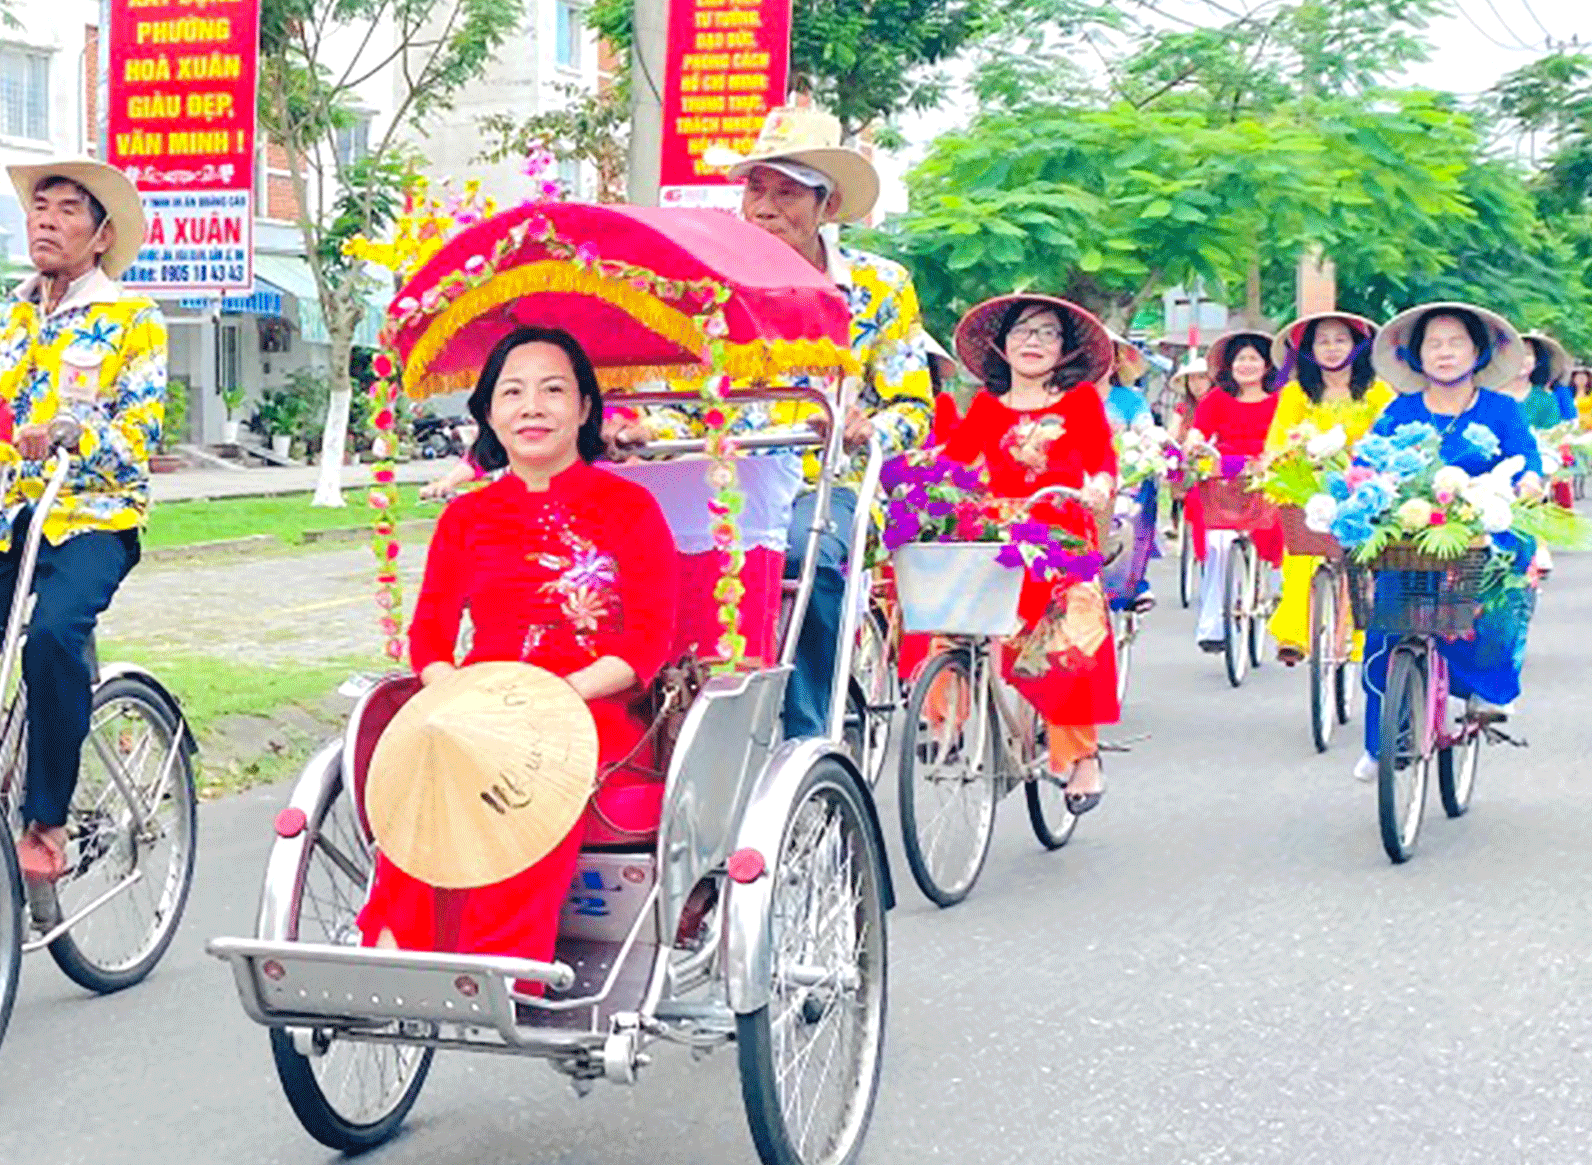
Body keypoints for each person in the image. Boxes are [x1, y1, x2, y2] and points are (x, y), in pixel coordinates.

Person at [356, 326, 679, 963]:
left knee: (532, 776)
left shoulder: (630, 508)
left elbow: (650, 638)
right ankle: (393, 950)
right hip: (483, 704)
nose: (532, 407)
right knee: (432, 758)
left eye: (553, 390)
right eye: (513, 392)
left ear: (585, 409)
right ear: (488, 414)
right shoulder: (466, 517)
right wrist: (457, 696)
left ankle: (500, 965)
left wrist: (556, 695)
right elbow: (431, 636)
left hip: (594, 708)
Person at [613, 106, 928, 740]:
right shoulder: (705, 284)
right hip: (713, 477)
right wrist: (645, 429)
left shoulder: (878, 286)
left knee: (807, 552)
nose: (766, 206)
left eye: (786, 192)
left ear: (827, 203)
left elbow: (914, 410)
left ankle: (807, 739)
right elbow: (679, 404)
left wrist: (871, 429)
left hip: (821, 482)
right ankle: (657, 724)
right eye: (757, 187)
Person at [0, 160, 166, 882]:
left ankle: (47, 820)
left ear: (101, 235)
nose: (47, 220)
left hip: (94, 517)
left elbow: (140, 434)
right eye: (41, 207)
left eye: (68, 210)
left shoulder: (133, 319)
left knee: (53, 637)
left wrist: (71, 431)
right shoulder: (0, 322)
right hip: (11, 518)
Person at [934, 295, 1119, 813]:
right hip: (995, 538)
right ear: (1002, 344)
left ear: (1063, 350)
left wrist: (1100, 485)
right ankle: (950, 722)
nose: (1033, 342)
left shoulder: (1080, 401)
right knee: (946, 611)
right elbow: (954, 462)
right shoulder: (987, 407)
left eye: (1047, 333)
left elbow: (1101, 456)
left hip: (1061, 535)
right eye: (1022, 331)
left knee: (1071, 642)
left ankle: (1084, 757)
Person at [1354, 304, 1546, 781]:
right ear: (1417, 356)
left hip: (1481, 529)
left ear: (1477, 351)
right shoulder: (1400, 410)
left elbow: (1527, 459)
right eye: (1433, 344)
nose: (1444, 352)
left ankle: (1487, 689)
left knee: (1496, 590)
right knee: (1385, 630)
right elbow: (1368, 461)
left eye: (1455, 342)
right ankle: (1382, 744)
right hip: (1414, 534)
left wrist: (1527, 483)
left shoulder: (1502, 409)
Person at [1264, 313, 1392, 665]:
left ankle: (1363, 637)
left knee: (1368, 564)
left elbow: (1390, 440)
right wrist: (1281, 462)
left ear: (1357, 346)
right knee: (1299, 554)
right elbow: (1278, 439)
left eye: (1341, 340)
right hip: (1312, 486)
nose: (1332, 348)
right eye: (1323, 341)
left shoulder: (1377, 391)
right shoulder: (1295, 394)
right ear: (1309, 350)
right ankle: (1294, 633)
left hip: (1363, 488)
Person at [1184, 328, 1285, 654]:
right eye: (1240, 359)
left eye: (1253, 359)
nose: (1246, 365)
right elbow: (1199, 430)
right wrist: (1194, 443)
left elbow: (1290, 435)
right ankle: (1213, 623)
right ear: (1230, 365)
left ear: (1267, 366)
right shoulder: (1217, 398)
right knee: (1217, 543)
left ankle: (1273, 591)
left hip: (1268, 474)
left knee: (1279, 529)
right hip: (1225, 475)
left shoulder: (1281, 400)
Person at [1100, 331, 1160, 611]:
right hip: (1077, 475)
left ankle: (1134, 582)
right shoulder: (1066, 395)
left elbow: (1145, 429)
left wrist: (1150, 443)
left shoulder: (1129, 399)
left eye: (1107, 355)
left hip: (1121, 473)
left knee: (1128, 517)